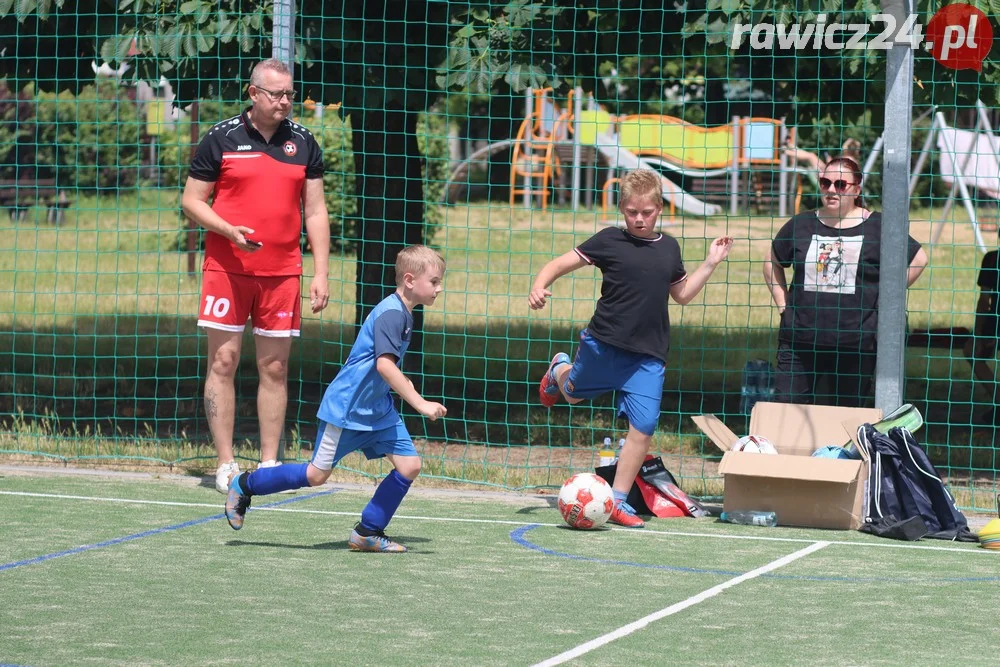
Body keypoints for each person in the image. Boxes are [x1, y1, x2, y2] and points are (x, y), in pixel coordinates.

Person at [528, 169, 733, 529]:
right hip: (603, 345)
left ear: (659, 209)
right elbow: (560, 263)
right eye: (632, 212)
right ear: (622, 208)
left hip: (648, 356)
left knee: (644, 426)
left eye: (647, 212)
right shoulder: (609, 240)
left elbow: (682, 295)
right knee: (572, 395)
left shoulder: (669, 247)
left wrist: (711, 263)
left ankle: (617, 501)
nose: (639, 219)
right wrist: (540, 285)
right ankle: (560, 366)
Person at [223, 245, 448, 552]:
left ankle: (368, 531)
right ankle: (244, 484)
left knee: (409, 465)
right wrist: (420, 403)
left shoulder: (404, 314)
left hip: (377, 410)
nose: (439, 287)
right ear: (410, 280)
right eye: (434, 281)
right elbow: (384, 366)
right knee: (316, 475)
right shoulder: (393, 314)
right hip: (348, 410)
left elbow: (386, 368)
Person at [180, 58, 331, 493]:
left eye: (289, 93)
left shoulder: (303, 142)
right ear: (253, 94)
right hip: (227, 270)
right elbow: (192, 201)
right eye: (276, 93)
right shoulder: (220, 138)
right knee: (223, 362)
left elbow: (316, 211)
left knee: (275, 367)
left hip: (283, 274)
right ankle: (226, 463)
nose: (285, 101)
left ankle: (268, 462)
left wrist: (320, 271)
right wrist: (227, 229)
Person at [763, 156, 929, 407]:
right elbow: (772, 261)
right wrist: (782, 304)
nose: (831, 190)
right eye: (825, 182)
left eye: (840, 184)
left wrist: (887, 296)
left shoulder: (877, 226)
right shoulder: (801, 224)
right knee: (787, 408)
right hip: (800, 341)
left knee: (847, 416)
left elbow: (919, 258)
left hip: (856, 343)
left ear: (857, 189)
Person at [963, 238, 1000, 423]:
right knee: (971, 351)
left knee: (972, 351)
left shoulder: (992, 259)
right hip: (995, 322)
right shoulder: (992, 259)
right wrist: (979, 335)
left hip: (994, 323)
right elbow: (984, 301)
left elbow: (984, 301)